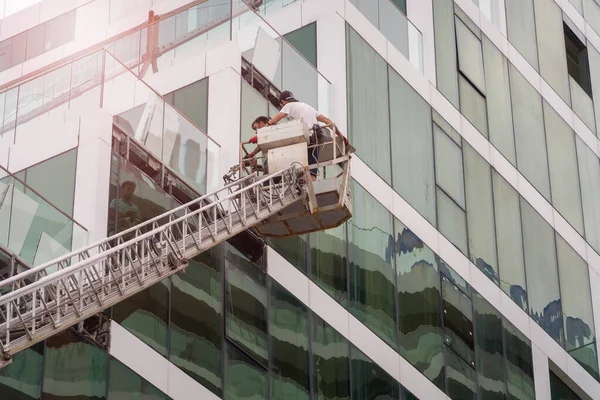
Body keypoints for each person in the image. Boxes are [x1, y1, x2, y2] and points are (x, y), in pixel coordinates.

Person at [267, 90, 347, 181]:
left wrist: (267, 126)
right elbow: (327, 121)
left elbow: (276, 119)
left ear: (283, 102)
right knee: (312, 168)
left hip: (301, 140)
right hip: (314, 139)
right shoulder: (309, 107)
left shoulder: (289, 106)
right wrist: (340, 135)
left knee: (295, 166)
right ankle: (310, 188)